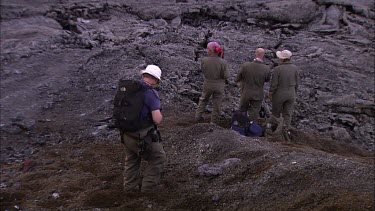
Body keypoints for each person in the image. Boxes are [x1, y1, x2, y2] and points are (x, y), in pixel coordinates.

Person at [122, 65, 166, 193]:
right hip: (141, 136)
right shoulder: (150, 93)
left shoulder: (129, 89)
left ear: (144, 75)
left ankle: (130, 188)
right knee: (158, 158)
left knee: (132, 159)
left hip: (126, 133)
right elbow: (157, 119)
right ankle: (148, 188)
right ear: (155, 79)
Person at [195, 41, 229, 123]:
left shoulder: (204, 60)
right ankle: (214, 122)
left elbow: (203, 70)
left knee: (203, 100)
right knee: (217, 104)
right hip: (219, 85)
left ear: (211, 50)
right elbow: (226, 75)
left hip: (207, 83)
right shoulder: (223, 62)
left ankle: (198, 117)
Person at [235, 48, 271, 122]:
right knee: (254, 113)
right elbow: (267, 80)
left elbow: (237, 78)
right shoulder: (267, 68)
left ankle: (240, 126)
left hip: (245, 93)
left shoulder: (245, 65)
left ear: (255, 54)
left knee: (242, 110)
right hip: (258, 94)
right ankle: (250, 127)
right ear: (263, 55)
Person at [268, 50, 300, 131]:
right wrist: (294, 93)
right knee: (287, 114)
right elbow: (297, 83)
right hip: (291, 94)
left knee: (276, 113)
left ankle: (275, 130)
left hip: (279, 94)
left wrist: (270, 93)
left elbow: (274, 84)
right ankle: (286, 130)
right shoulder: (295, 68)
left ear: (282, 59)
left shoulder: (278, 69)